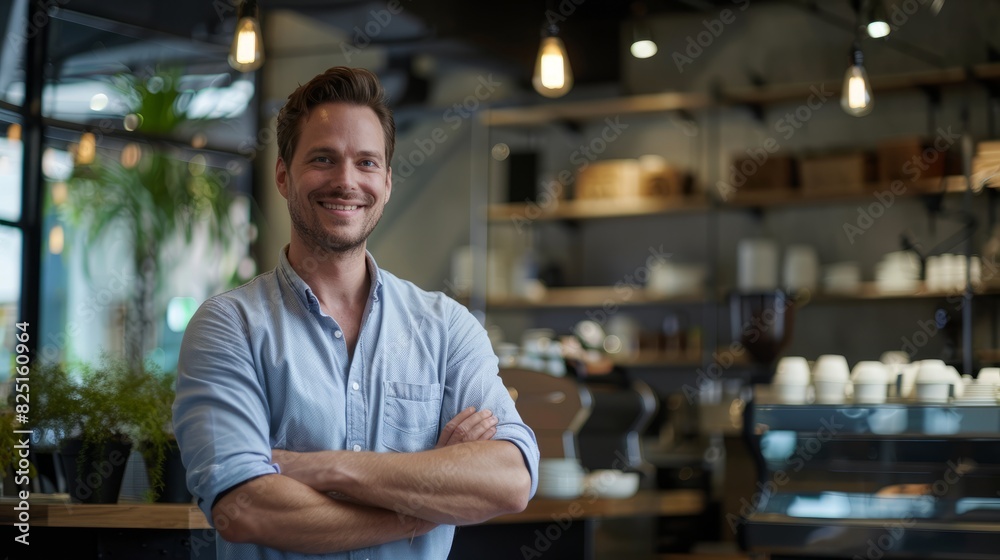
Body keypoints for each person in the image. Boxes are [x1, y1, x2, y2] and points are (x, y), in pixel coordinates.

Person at [172, 66, 539, 559]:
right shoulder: (228, 327)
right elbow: (246, 510)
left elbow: (509, 481)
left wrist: (324, 469)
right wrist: (431, 498)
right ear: (284, 175)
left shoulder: (447, 327)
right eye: (323, 159)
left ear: (386, 183)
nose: (346, 181)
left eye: (366, 163)